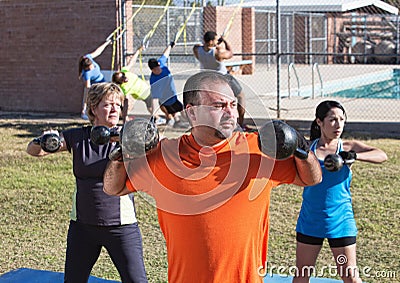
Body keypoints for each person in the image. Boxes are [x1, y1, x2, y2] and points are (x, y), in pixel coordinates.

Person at [103, 71, 322, 283]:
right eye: (219, 105)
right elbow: (114, 188)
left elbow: (311, 179)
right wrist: (121, 155)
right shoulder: (164, 156)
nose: (230, 113)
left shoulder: (257, 150)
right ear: (192, 113)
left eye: (233, 105)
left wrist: (302, 150)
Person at [26, 83, 148, 283]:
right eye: (109, 104)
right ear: (93, 108)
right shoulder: (78, 137)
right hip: (82, 227)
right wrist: (44, 139)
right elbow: (33, 151)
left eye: (118, 105)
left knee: (136, 281)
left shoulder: (127, 137)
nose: (115, 109)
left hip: (121, 227)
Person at [293, 100, 387, 283]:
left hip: (341, 220)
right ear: (319, 122)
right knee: (302, 275)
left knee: (350, 276)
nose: (338, 125)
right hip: (311, 220)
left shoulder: (347, 147)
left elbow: (382, 155)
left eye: (342, 119)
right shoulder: (307, 149)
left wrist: (355, 157)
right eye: (333, 119)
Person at [193, 31, 246, 128]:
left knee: (214, 103)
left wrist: (213, 43)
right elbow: (230, 53)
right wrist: (224, 41)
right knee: (241, 96)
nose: (218, 41)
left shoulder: (196, 50)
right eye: (216, 40)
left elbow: (201, 47)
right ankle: (241, 124)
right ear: (211, 41)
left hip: (208, 78)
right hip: (223, 77)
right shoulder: (218, 53)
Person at [148, 41, 185, 128]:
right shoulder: (154, 80)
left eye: (158, 67)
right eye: (156, 69)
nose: (159, 69)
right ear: (152, 70)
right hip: (165, 101)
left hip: (173, 97)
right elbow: (154, 99)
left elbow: (165, 54)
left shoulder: (161, 64)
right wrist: (153, 114)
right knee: (170, 112)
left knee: (181, 110)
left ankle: (176, 121)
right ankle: (171, 120)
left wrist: (170, 45)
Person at [112, 46, 153, 122]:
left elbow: (131, 62)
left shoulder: (125, 71)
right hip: (145, 95)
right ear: (120, 83)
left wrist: (138, 51)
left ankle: (157, 117)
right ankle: (157, 118)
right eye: (122, 80)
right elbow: (126, 101)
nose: (125, 78)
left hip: (147, 88)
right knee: (151, 108)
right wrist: (125, 117)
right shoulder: (124, 88)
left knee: (153, 106)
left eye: (123, 76)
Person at [78, 40, 112, 120]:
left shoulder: (88, 58)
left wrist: (106, 43)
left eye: (92, 65)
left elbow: (98, 52)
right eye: (90, 68)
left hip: (103, 81)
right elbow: (87, 90)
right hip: (97, 87)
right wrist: (84, 106)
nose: (93, 67)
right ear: (86, 68)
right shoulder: (87, 74)